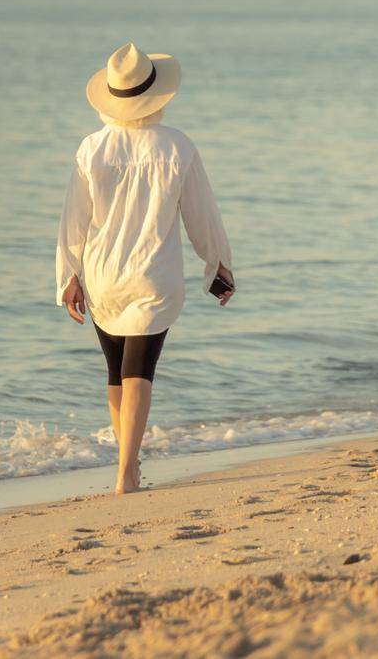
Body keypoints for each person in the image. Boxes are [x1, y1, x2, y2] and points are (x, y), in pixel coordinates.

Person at [55, 43, 236, 495]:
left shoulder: (91, 149)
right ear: (155, 95)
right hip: (153, 275)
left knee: (116, 373)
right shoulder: (177, 146)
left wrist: (68, 276)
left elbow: (72, 221)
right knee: (140, 372)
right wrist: (218, 266)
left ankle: (127, 466)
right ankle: (126, 472)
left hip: (102, 274)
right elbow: (202, 216)